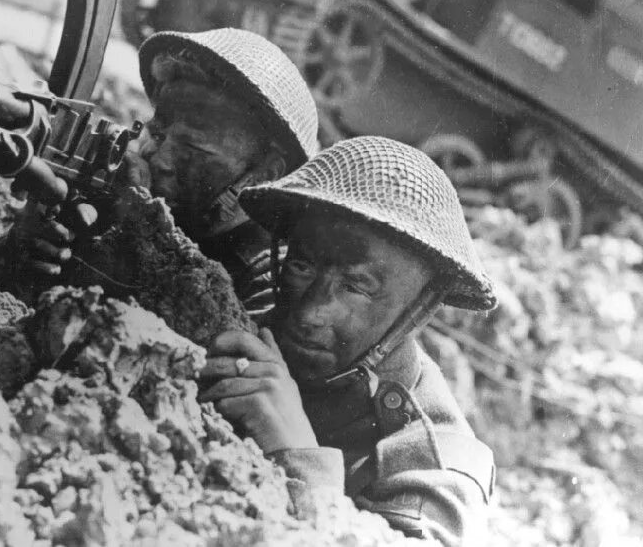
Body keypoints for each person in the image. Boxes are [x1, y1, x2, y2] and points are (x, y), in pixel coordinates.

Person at [199, 136, 496, 546]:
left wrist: (298, 455)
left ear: (421, 309)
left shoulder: (435, 469)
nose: (310, 313)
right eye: (302, 265)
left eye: (358, 286)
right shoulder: (249, 313)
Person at [0, 28, 320, 311]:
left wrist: (142, 236)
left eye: (191, 149)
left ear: (267, 173)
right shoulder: (116, 202)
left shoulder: (270, 278)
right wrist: (15, 251)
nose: (161, 159)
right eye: (158, 132)